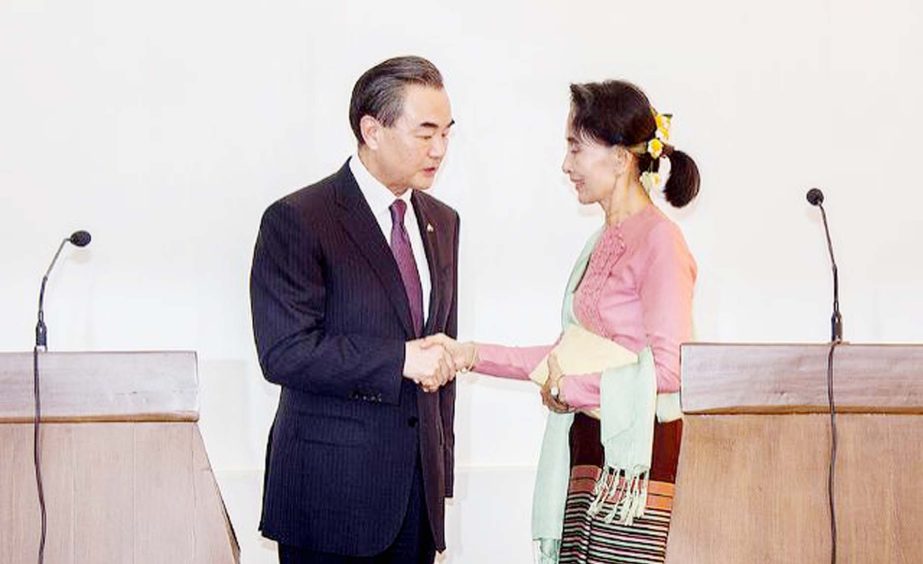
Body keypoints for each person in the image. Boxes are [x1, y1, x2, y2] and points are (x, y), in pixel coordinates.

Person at [429, 80, 699, 563]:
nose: (566, 164)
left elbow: (673, 369)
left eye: (576, 147)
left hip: (637, 462)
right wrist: (469, 354)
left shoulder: (660, 241)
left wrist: (573, 389)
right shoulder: (604, 239)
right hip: (591, 446)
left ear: (620, 159)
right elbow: (566, 354)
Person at [250, 55, 460, 564]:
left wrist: (440, 472)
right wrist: (397, 361)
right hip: (329, 500)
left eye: (447, 133)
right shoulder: (299, 219)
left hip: (415, 501)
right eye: (425, 133)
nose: (439, 150)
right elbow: (285, 352)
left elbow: (440, 354)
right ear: (372, 129)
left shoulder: (442, 221)